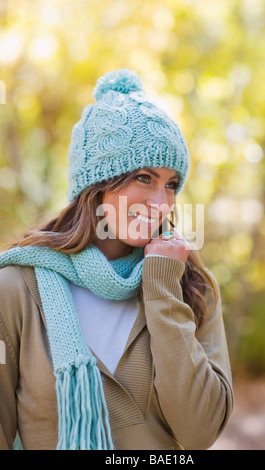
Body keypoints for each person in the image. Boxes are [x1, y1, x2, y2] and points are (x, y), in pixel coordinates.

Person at [0, 69, 233, 450]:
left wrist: (162, 290)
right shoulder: (16, 288)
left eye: (171, 184)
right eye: (144, 177)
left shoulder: (192, 285)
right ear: (96, 186)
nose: (163, 203)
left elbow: (200, 433)